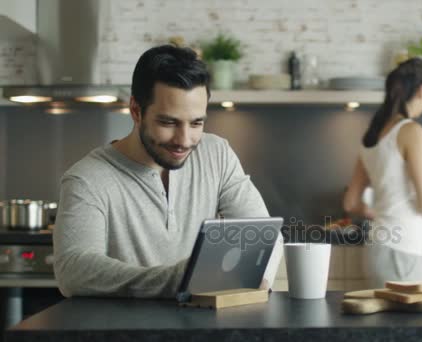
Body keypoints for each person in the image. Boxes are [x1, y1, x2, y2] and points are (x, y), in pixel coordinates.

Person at [53, 45, 281, 298]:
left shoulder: (216, 154)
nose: (184, 140)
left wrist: (258, 276)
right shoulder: (87, 179)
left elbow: (263, 236)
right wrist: (180, 280)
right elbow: (73, 270)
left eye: (196, 123)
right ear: (136, 111)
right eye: (168, 122)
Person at [343, 58, 422, 287]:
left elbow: (351, 203)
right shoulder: (412, 131)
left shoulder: (372, 136)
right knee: (408, 322)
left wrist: (379, 212)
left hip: (377, 247)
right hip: (403, 250)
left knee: (384, 321)